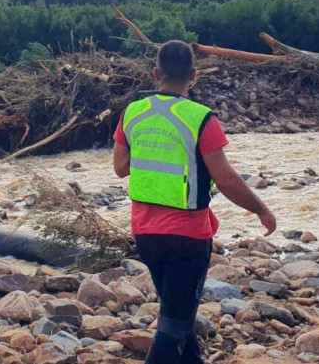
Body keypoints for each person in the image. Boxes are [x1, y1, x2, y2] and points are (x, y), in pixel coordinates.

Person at [112, 40, 276, 364]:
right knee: (173, 326)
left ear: (156, 73)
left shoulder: (132, 112)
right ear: (194, 76)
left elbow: (120, 168)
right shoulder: (201, 119)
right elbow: (226, 179)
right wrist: (262, 209)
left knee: (180, 317)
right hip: (187, 238)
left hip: (145, 234)